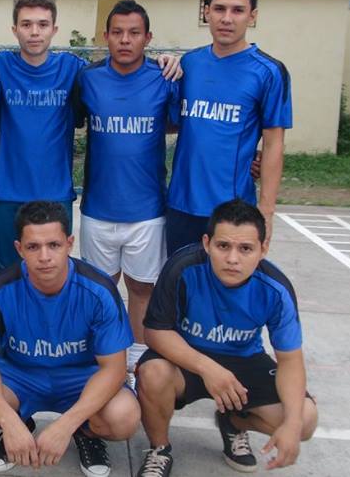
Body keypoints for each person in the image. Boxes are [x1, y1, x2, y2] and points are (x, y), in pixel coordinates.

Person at [0, 0, 182, 273]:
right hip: (7, 196)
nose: (34, 32)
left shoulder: (74, 70)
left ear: (55, 29)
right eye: (26, 24)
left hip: (56, 195)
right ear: (15, 30)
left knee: (55, 279)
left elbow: (117, 85)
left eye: (42, 24)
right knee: (5, 279)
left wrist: (166, 61)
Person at [0, 201, 139, 477]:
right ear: (19, 249)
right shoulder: (0, 288)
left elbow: (114, 368)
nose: (45, 256)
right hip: (20, 376)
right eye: (33, 247)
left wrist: (66, 426)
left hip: (80, 378)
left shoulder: (98, 290)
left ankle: (85, 432)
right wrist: (7, 419)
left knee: (124, 417)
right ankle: (19, 429)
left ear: (69, 243)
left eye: (54, 245)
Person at [134, 199, 318, 477]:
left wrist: (291, 425)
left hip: (245, 360)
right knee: (152, 372)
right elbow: (156, 332)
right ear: (207, 244)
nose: (233, 259)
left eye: (245, 249)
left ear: (263, 249)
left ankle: (234, 421)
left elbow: (291, 360)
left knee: (305, 419)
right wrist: (208, 368)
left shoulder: (275, 289)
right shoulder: (182, 267)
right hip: (188, 359)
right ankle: (159, 449)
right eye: (223, 246)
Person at [74, 0, 180, 378]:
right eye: (117, 32)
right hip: (98, 209)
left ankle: (135, 363)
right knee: (100, 291)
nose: (124, 40)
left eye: (134, 33)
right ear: (105, 36)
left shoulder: (165, 79)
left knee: (141, 288)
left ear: (147, 38)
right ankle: (102, 363)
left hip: (148, 209)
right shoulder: (88, 79)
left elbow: (179, 125)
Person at [165, 0, 292, 256]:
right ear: (207, 12)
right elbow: (175, 124)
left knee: (226, 293)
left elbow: (274, 144)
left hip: (233, 211)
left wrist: (266, 211)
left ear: (252, 16)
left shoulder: (269, 72)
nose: (227, 18)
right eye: (220, 9)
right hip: (180, 204)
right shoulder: (189, 63)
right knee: (179, 291)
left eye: (238, 10)